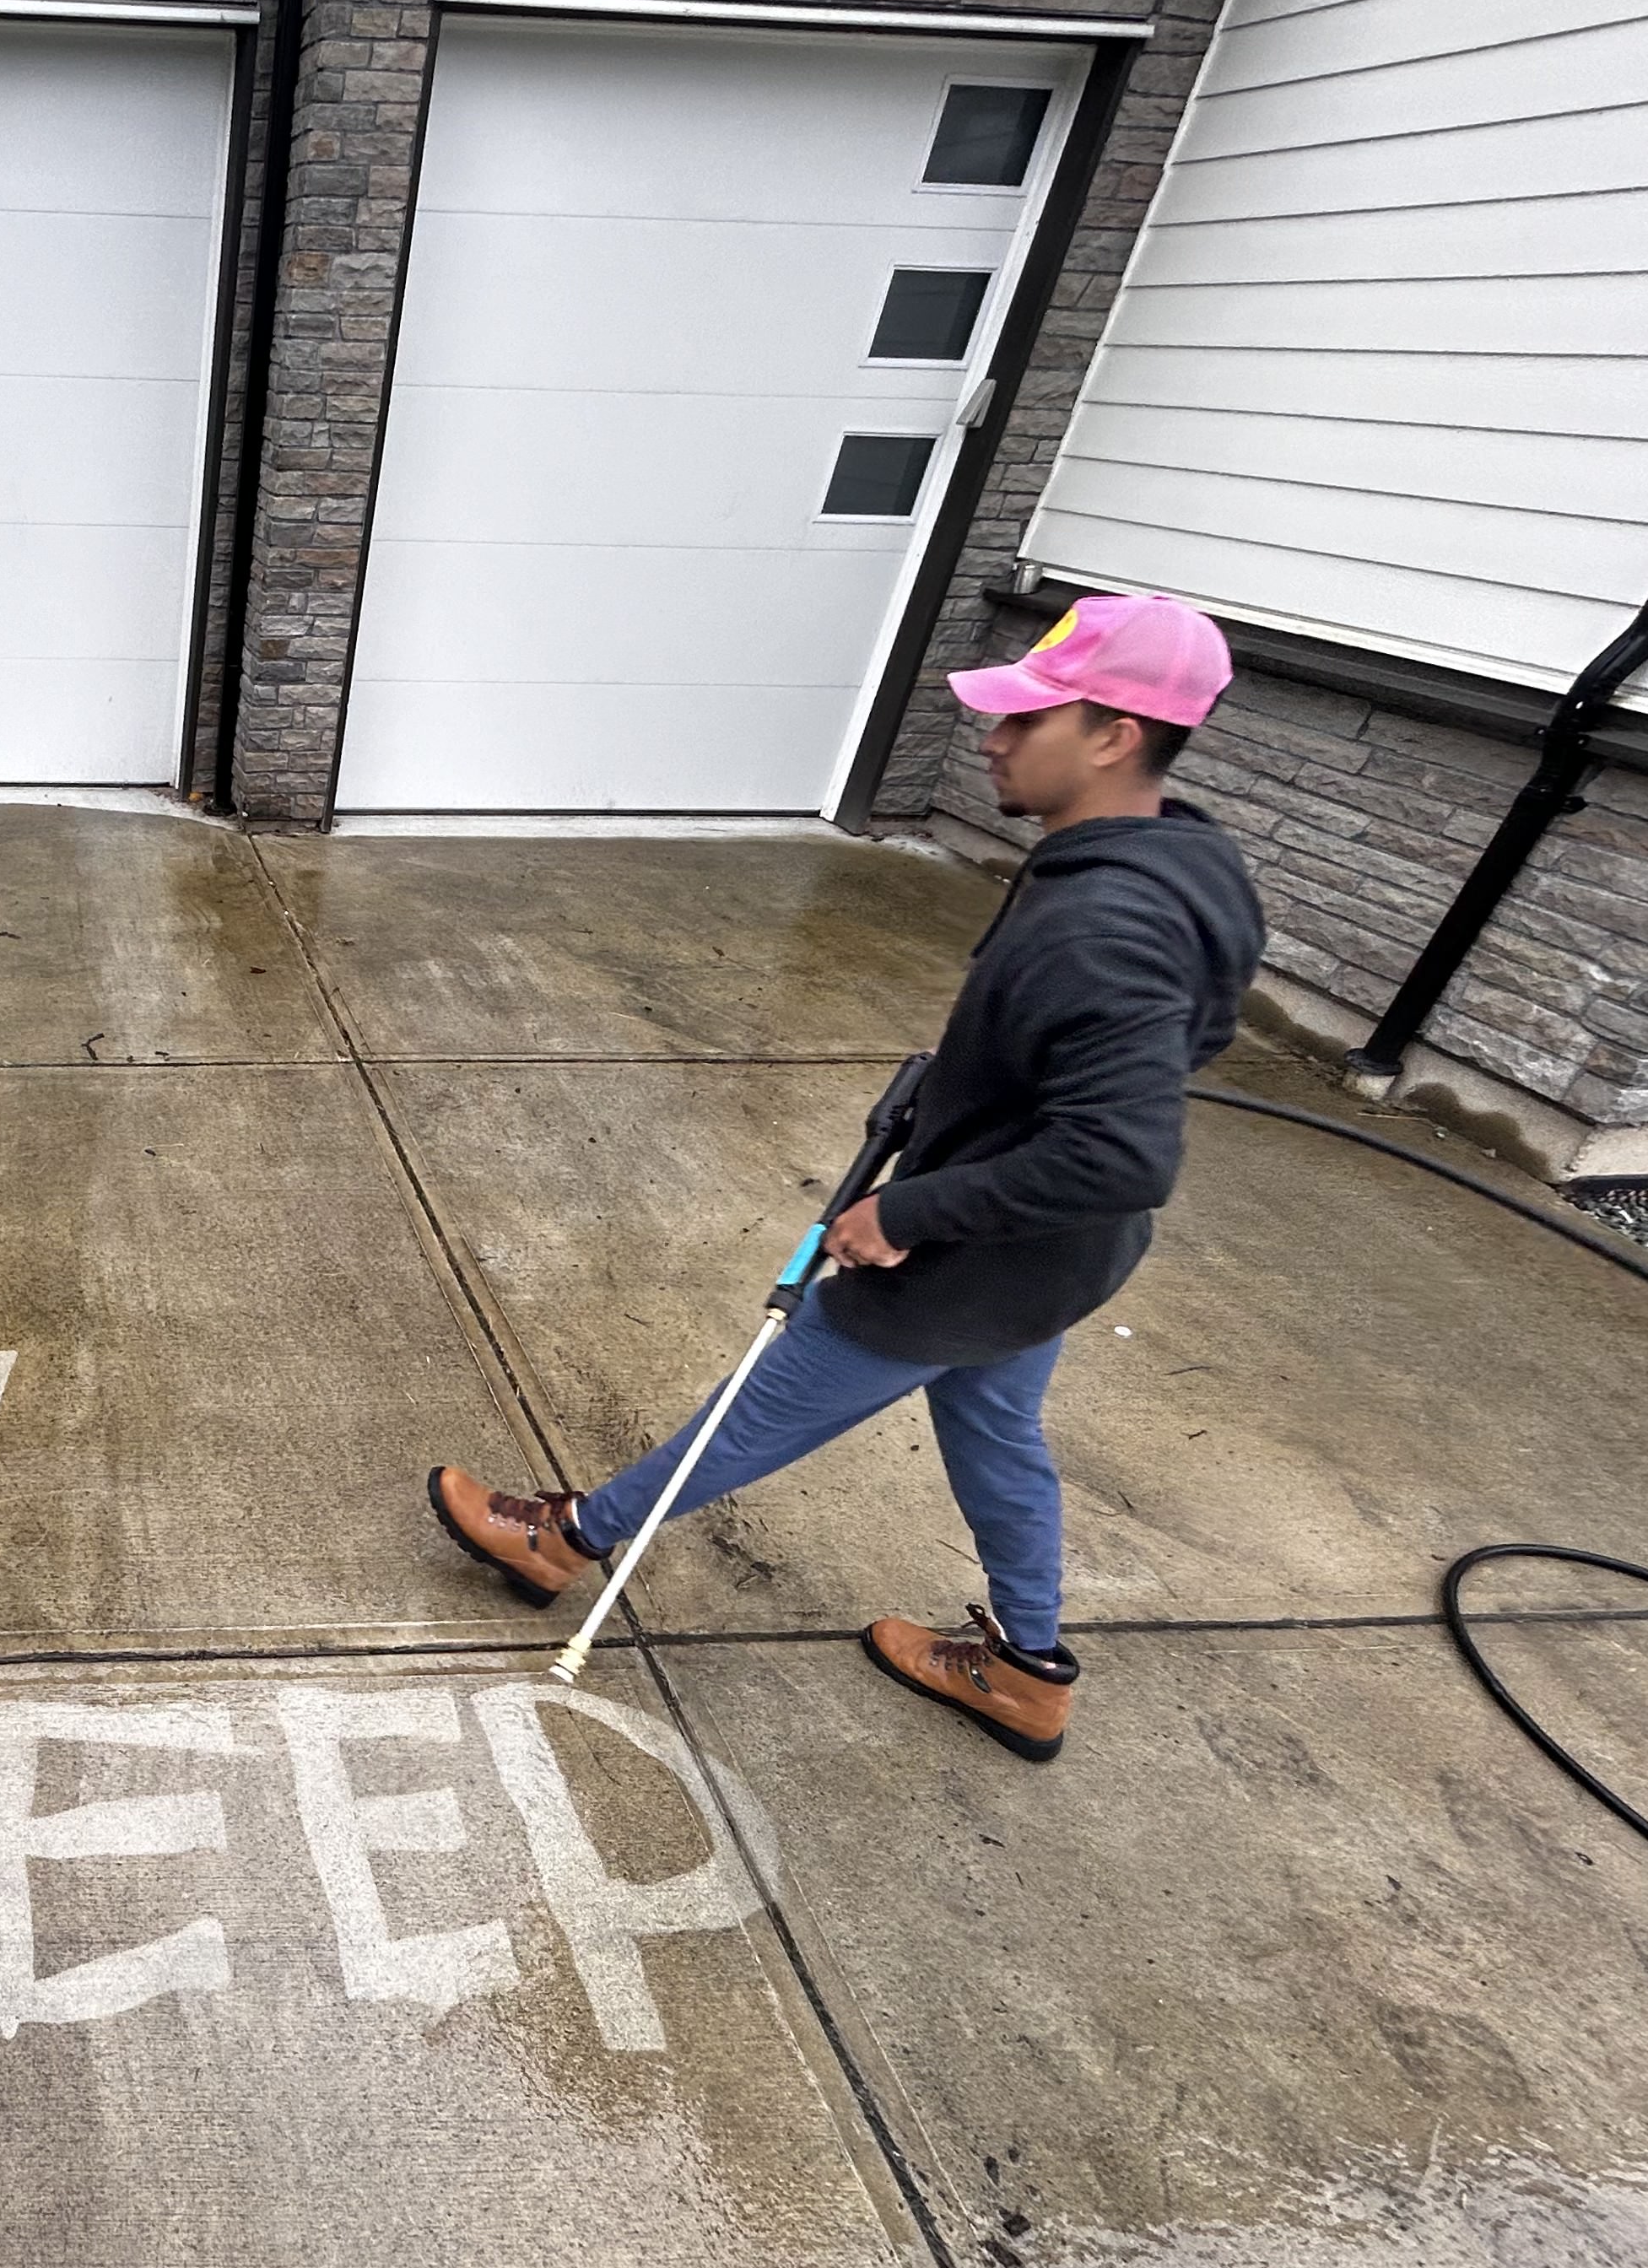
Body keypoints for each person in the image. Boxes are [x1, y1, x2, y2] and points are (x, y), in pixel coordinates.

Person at [431, 593, 1267, 1763]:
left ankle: (566, 1538)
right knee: (997, 1427)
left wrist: (910, 1207)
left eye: (1028, 718)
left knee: (765, 1401)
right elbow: (1185, 1044)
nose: (994, 738)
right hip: (1051, 1263)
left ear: (1115, 732)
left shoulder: (1108, 924)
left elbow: (1124, 1151)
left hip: (968, 1265)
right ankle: (1028, 1671)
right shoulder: (1183, 856)